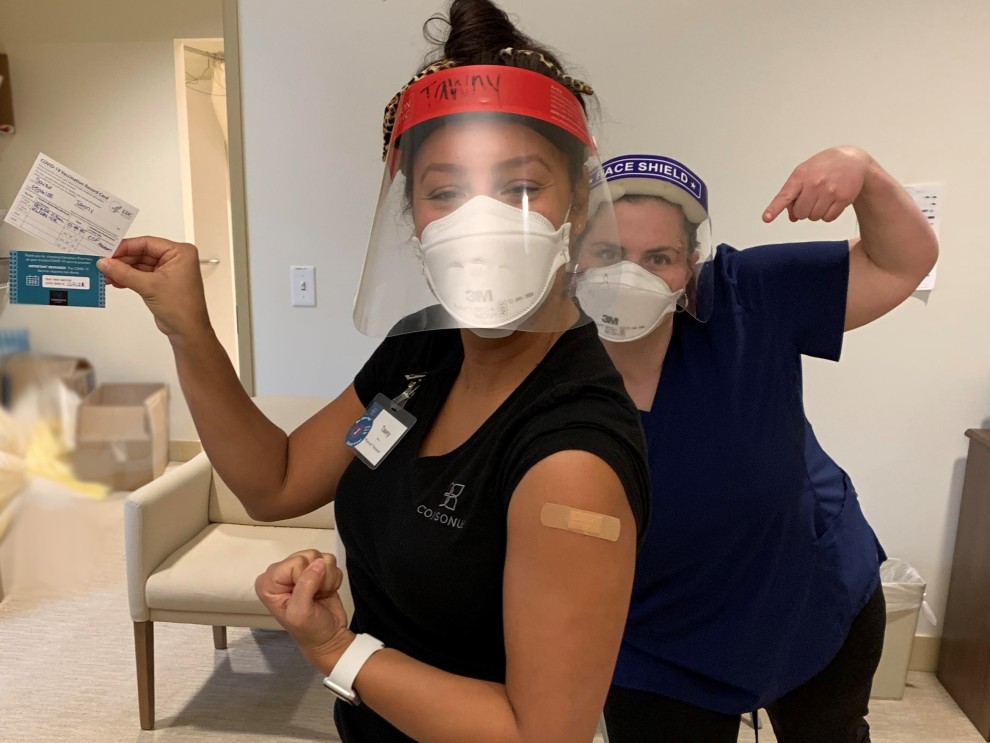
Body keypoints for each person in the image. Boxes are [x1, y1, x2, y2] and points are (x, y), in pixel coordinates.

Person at [97, 2, 650, 741]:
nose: (480, 223)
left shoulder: (571, 460)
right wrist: (188, 329)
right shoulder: (421, 353)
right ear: (410, 212)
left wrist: (337, 649)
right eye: (445, 191)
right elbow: (276, 481)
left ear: (577, 200)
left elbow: (540, 734)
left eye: (520, 188)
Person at [574, 149, 938, 742]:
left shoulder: (744, 295)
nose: (628, 277)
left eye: (659, 258)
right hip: (659, 639)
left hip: (811, 595)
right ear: (574, 256)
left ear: (690, 266)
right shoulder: (549, 364)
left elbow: (903, 263)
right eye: (609, 254)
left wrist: (864, 172)